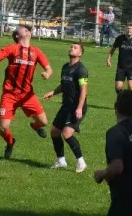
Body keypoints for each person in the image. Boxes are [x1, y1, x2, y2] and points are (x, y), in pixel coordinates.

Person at [0, 25, 53, 159]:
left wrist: (47, 73)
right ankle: (10, 142)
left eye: (28, 29)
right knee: (3, 129)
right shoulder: (12, 48)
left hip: (28, 95)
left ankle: (35, 127)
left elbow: (49, 68)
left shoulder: (36, 51)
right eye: (23, 29)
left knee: (44, 122)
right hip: (10, 94)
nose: (27, 29)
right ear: (17, 36)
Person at [43, 42, 88, 173]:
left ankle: (81, 162)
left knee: (67, 134)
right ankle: (61, 160)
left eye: (75, 48)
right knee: (55, 132)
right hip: (66, 106)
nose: (72, 48)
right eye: (71, 47)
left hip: (77, 107)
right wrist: (53, 92)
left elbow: (83, 91)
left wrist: (79, 108)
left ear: (80, 53)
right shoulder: (65, 67)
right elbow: (64, 85)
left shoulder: (81, 69)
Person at [107, 23, 132, 93]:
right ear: (125, 29)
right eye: (128, 28)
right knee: (118, 87)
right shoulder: (120, 38)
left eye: (131, 29)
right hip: (121, 67)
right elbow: (112, 49)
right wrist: (108, 60)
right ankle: (122, 99)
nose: (129, 30)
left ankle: (129, 102)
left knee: (130, 87)